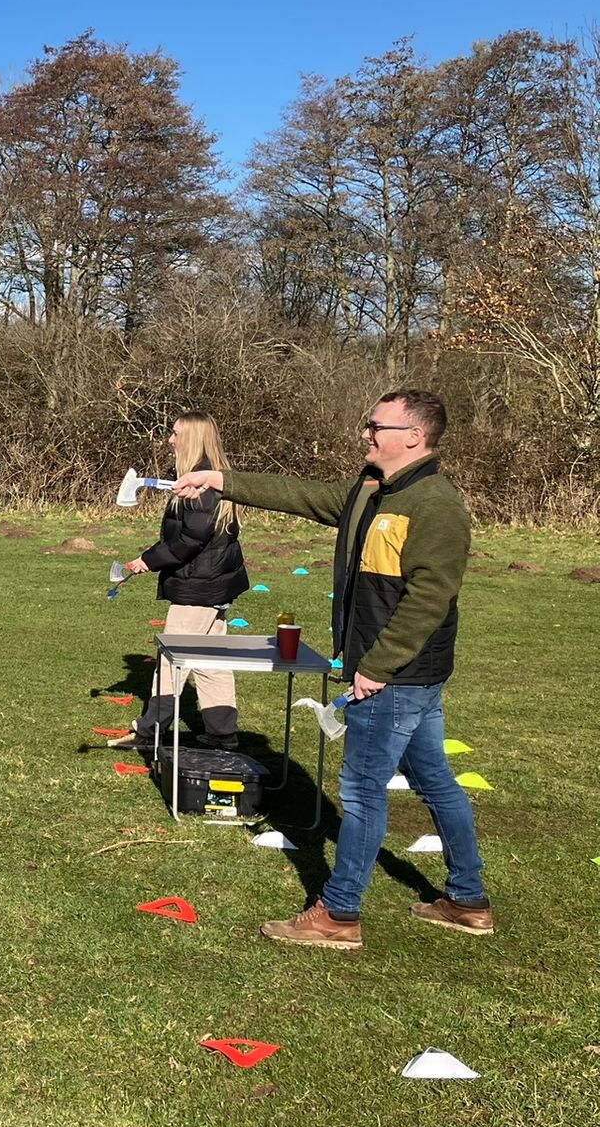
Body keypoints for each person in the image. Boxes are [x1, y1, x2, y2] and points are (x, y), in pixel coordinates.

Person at [170, 389, 489, 950]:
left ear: (413, 436)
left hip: (397, 673)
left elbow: (430, 597)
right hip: (402, 673)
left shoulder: (434, 503)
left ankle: (339, 913)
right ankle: (468, 901)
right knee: (434, 779)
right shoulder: (375, 492)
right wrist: (219, 478)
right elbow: (306, 496)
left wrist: (378, 667)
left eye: (377, 426)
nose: (367, 434)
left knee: (363, 792)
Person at [107, 411, 249, 751]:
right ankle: (222, 733)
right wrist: (151, 555)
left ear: (193, 438)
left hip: (198, 587)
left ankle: (150, 732)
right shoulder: (199, 477)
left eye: (175, 434)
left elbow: (192, 538)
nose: (170, 439)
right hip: (211, 584)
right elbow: (186, 535)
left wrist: (150, 559)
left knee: (172, 661)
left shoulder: (203, 485)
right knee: (211, 662)